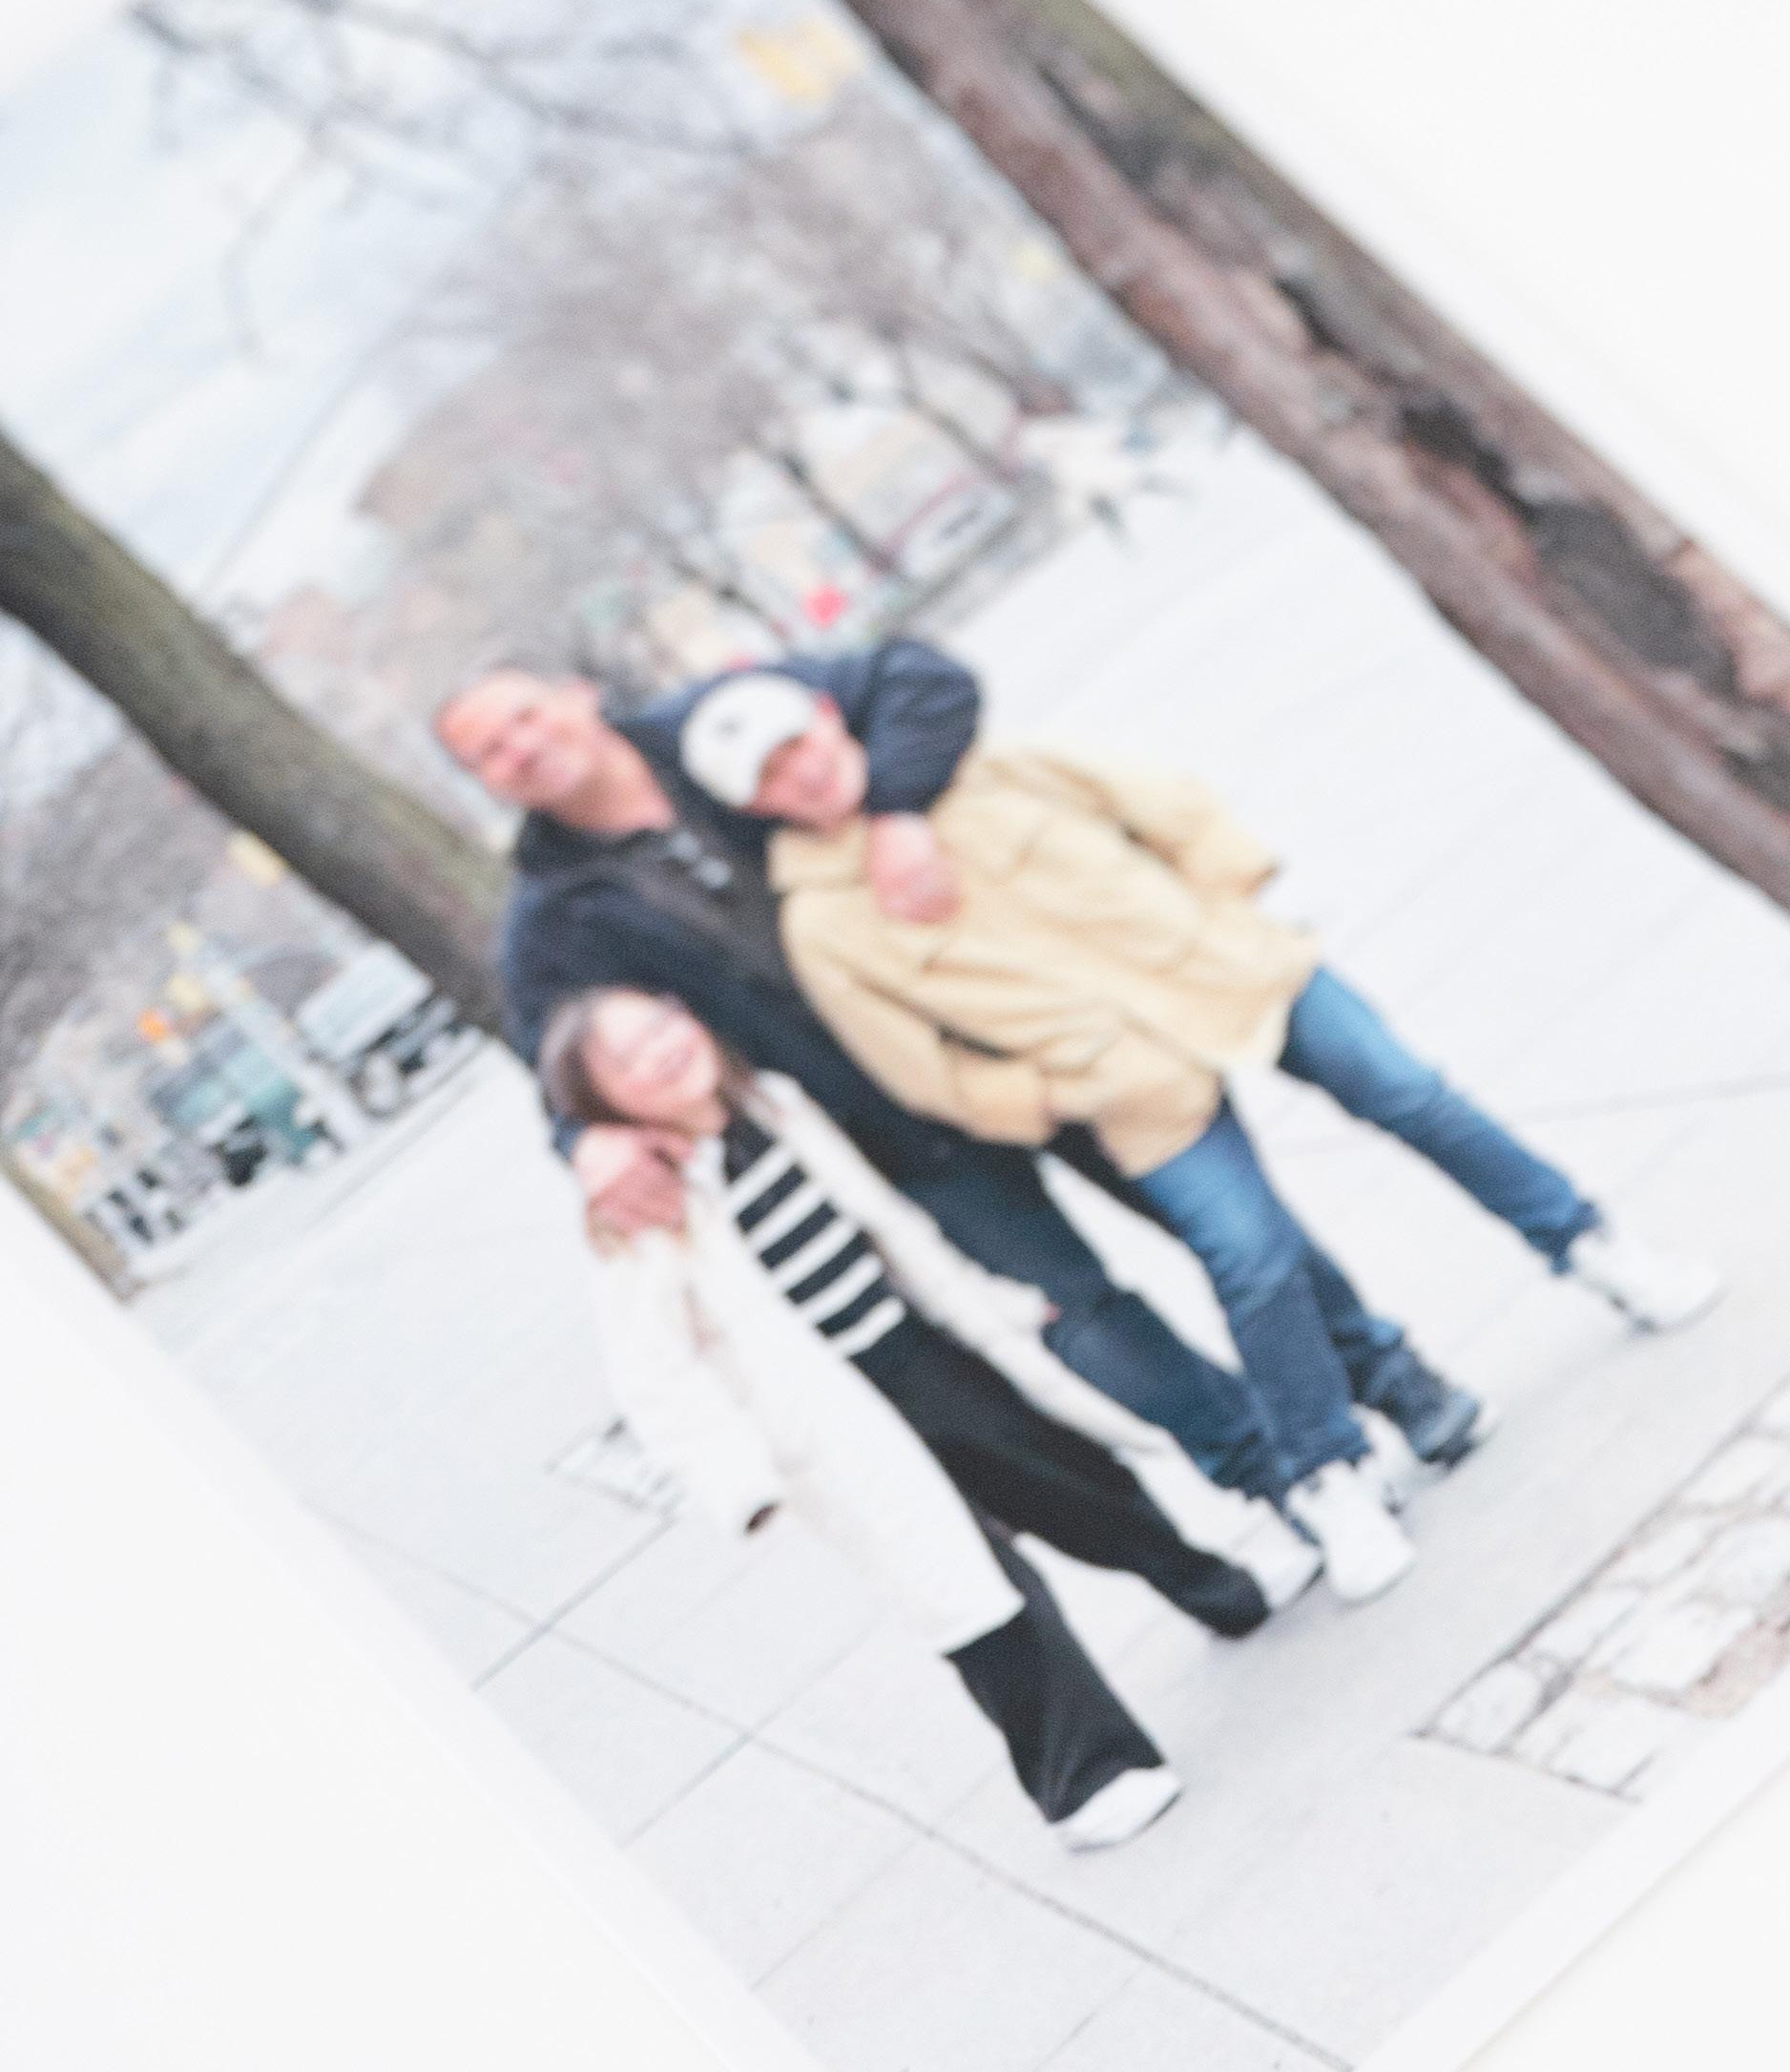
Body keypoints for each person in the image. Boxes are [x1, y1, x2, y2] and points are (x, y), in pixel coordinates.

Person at [436, 648, 1487, 1592]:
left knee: (1230, 1224)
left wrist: (896, 812)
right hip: (894, 1134)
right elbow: (557, 1059)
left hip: (1025, 1035)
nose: (520, 747)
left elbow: (920, 678)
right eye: (489, 751)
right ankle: (1279, 1473)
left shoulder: (716, 727)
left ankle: (1390, 1379)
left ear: (575, 696)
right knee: (1079, 1315)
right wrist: (589, 1141)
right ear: (482, 781)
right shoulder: (552, 919)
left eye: (523, 715)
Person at [669, 671, 1720, 1591]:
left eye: (798, 744)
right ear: (756, 807)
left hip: (1228, 968)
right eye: (771, 777)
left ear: (827, 715)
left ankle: (1592, 1245)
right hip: (1123, 1078)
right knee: (1245, 1250)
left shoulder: (983, 766)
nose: (802, 774)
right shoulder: (824, 920)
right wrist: (1048, 1096)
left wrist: (1234, 901)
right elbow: (922, 1070)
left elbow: (1163, 802)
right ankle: (1327, 1472)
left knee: (1410, 1095)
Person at [537, 987, 1269, 1850]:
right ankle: (1086, 1777)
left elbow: (885, 1223)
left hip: (920, 1355)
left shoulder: (774, 1104)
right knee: (969, 1590)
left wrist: (985, 1302)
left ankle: (1213, 1584)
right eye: (627, 1059)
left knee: (1077, 1483)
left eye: (661, 1024)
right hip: (832, 1420)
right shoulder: (640, 1212)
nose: (660, 1051)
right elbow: (651, 1372)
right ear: (599, 1105)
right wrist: (738, 1477)